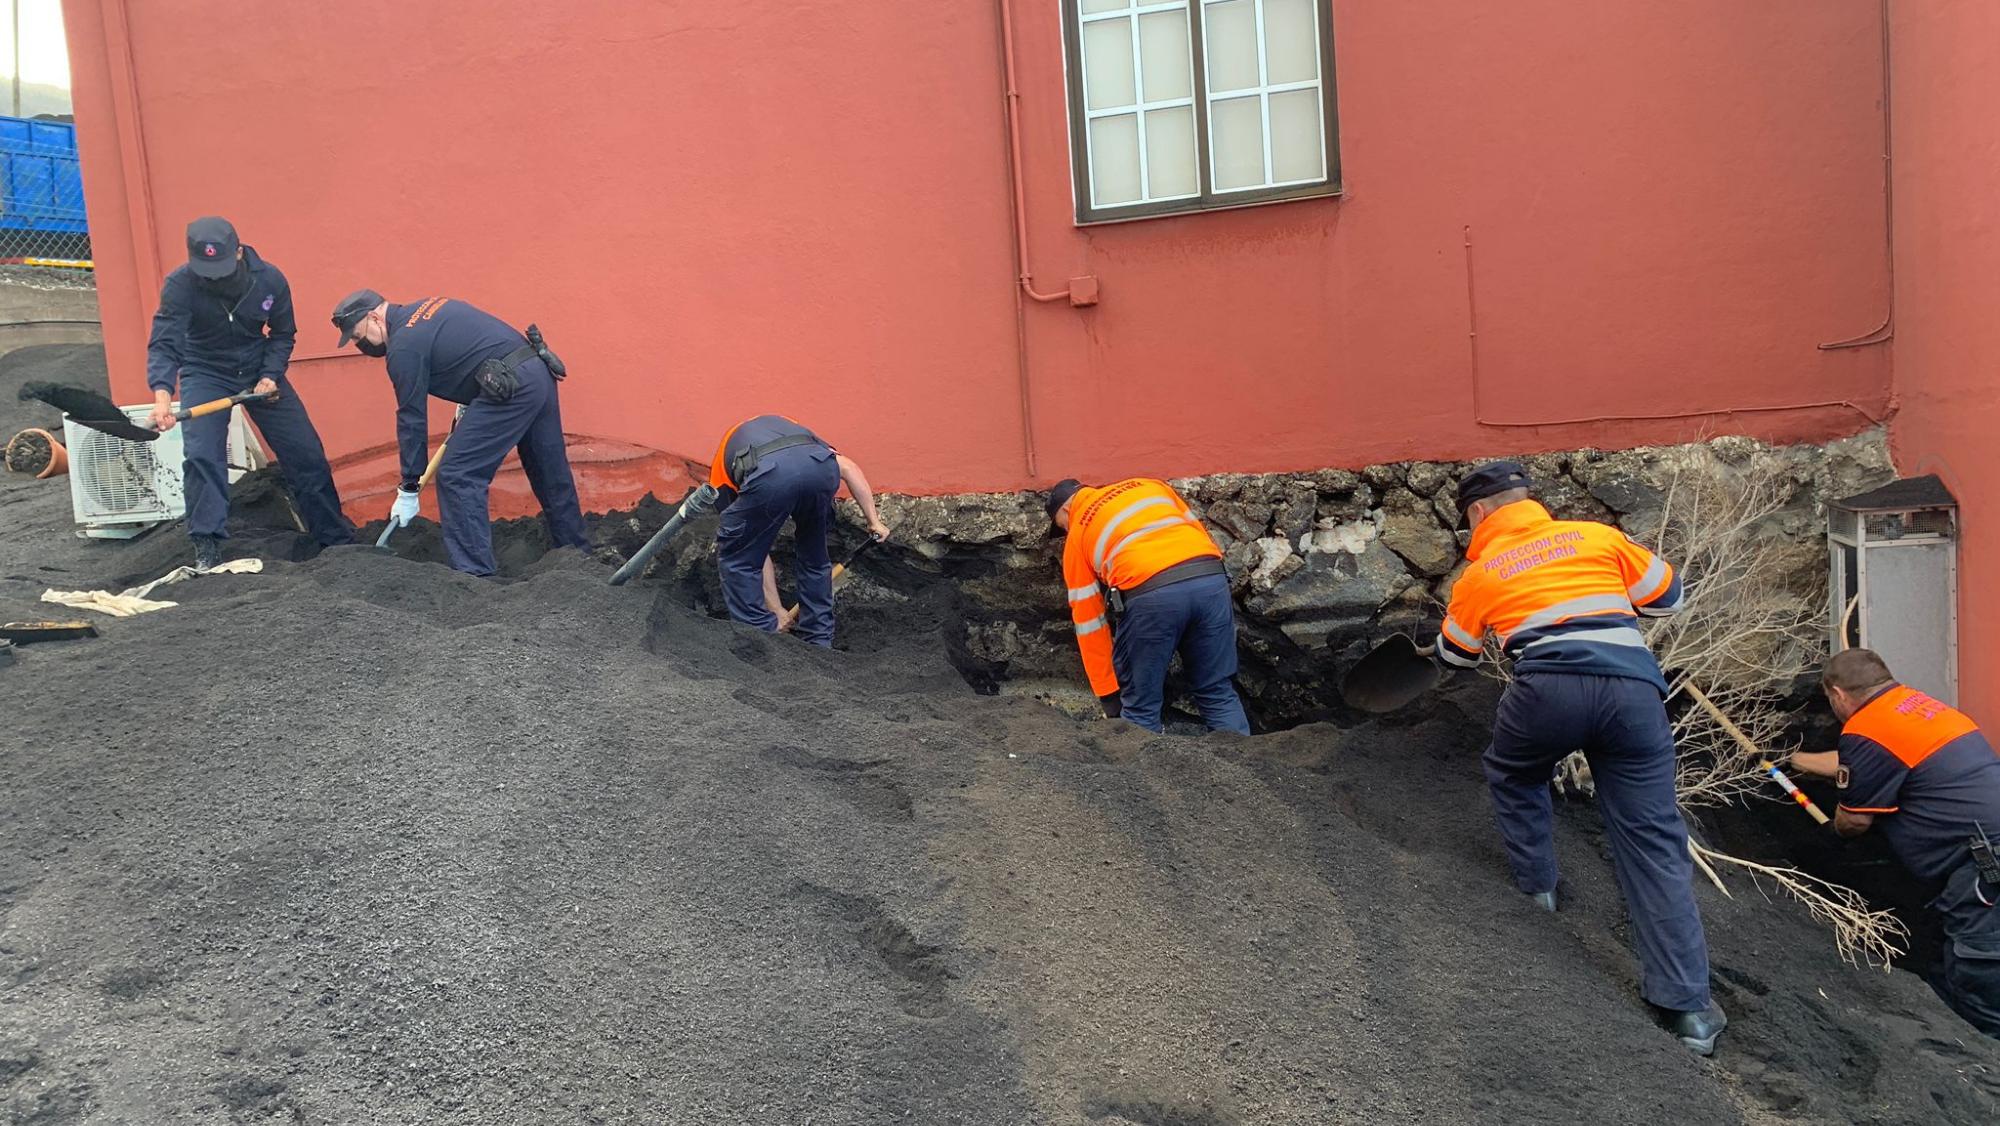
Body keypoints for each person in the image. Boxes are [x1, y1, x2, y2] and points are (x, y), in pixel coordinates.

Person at [1434, 460, 1724, 1054]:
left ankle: (1538, 892)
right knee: (1652, 838)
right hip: (1632, 692)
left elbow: (1458, 655)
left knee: (1514, 773)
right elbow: (1669, 598)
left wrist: (1444, 643)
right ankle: (1688, 1010)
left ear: (1479, 513)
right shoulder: (1598, 537)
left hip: (1546, 691)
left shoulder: (1480, 573)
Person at [1790, 650, 2000, 1039]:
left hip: (1983, 867)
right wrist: (1796, 760)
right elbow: (1859, 760)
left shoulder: (1866, 726)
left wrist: (1832, 834)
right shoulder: (1921, 708)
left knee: (1979, 973)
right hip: (1982, 850)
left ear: (1837, 694)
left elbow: (1855, 820)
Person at [330, 289, 589, 577]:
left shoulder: (403, 347)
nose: (360, 344)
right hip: (536, 370)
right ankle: (579, 556)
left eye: (357, 336)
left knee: (458, 474)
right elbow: (473, 345)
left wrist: (409, 486)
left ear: (374, 318)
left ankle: (475, 574)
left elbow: (411, 418)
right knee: (548, 468)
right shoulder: (430, 305)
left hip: (510, 386)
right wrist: (472, 395)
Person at [146, 217, 353, 569]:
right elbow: (165, 343)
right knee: (202, 456)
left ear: (239, 252)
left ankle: (334, 538)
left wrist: (271, 376)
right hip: (205, 369)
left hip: (259, 369)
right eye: (206, 271)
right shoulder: (180, 285)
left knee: (305, 452)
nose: (214, 278)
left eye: (221, 269)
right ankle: (207, 545)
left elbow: (283, 334)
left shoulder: (269, 280)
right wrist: (162, 395)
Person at [1046, 477, 1250, 736]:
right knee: (1217, 691)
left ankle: (1142, 762)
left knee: (1140, 707)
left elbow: (1089, 622)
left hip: (1152, 595)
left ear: (1067, 510)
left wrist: (1109, 696)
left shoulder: (1078, 533)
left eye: (1061, 526)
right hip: (1209, 580)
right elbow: (1198, 531)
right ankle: (1241, 760)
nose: (1066, 531)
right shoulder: (1151, 486)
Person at [707, 415, 890, 647]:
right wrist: (874, 521)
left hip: (769, 476)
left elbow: (750, 554)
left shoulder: (721, 473)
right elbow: (849, 467)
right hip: (819, 471)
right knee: (814, 558)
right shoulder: (798, 431)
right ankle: (819, 640)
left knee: (738, 559)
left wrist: (774, 615)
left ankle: (759, 640)